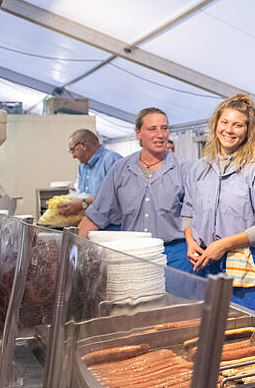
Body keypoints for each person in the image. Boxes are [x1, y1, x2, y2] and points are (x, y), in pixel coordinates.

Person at [181, 95, 255, 316]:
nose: (229, 130)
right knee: (209, 334)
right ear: (216, 124)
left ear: (248, 131)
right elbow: (188, 211)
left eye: (238, 125)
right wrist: (190, 241)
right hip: (205, 265)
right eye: (225, 122)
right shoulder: (200, 168)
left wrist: (224, 245)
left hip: (247, 265)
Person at [78, 108, 192, 273]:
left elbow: (197, 216)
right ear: (138, 133)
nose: (160, 135)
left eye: (164, 128)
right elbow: (96, 215)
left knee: (176, 299)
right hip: (133, 255)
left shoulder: (184, 169)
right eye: (152, 129)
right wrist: (70, 250)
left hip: (175, 256)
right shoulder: (121, 170)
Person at [57, 129, 122, 217]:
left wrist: (83, 203)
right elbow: (82, 194)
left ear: (83, 145)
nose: (73, 156)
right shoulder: (82, 166)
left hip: (112, 227)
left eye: (73, 150)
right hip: (91, 222)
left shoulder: (113, 160)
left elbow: (119, 197)